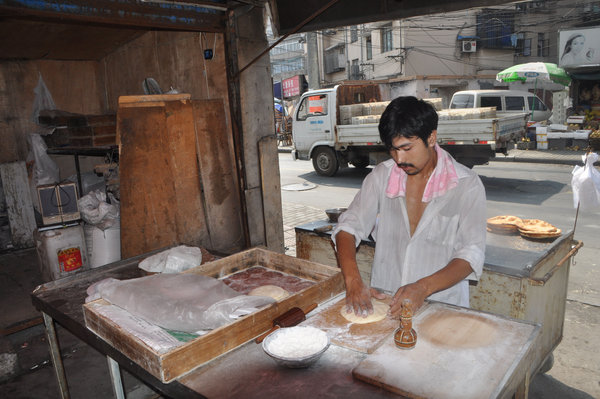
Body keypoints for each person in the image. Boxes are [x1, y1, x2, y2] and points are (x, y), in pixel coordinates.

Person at [331, 96, 486, 319]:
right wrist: (353, 281)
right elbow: (348, 227)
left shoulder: (466, 184)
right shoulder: (381, 176)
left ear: (431, 137)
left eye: (406, 148)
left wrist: (423, 288)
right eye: (393, 150)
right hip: (387, 303)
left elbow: (471, 254)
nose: (399, 159)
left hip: (440, 307)